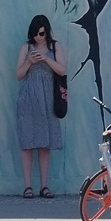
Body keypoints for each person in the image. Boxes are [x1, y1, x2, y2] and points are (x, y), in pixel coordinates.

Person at [15, 15, 66, 198]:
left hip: (48, 99)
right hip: (29, 98)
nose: (39, 37)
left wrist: (45, 59)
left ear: (47, 31)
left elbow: (62, 69)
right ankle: (27, 186)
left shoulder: (55, 47)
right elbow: (18, 74)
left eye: (42, 33)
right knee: (27, 142)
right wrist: (29, 61)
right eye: (35, 34)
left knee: (45, 143)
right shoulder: (26, 48)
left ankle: (44, 186)